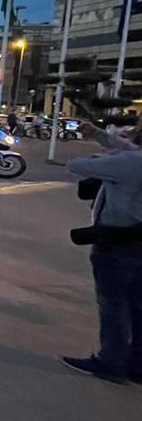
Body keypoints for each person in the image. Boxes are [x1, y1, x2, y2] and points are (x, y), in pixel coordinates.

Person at [61, 122, 142, 384]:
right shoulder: (132, 159)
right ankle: (136, 364)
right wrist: (99, 135)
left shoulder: (129, 163)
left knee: (113, 304)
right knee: (138, 305)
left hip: (119, 241)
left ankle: (111, 362)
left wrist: (106, 156)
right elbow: (130, 152)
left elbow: (76, 165)